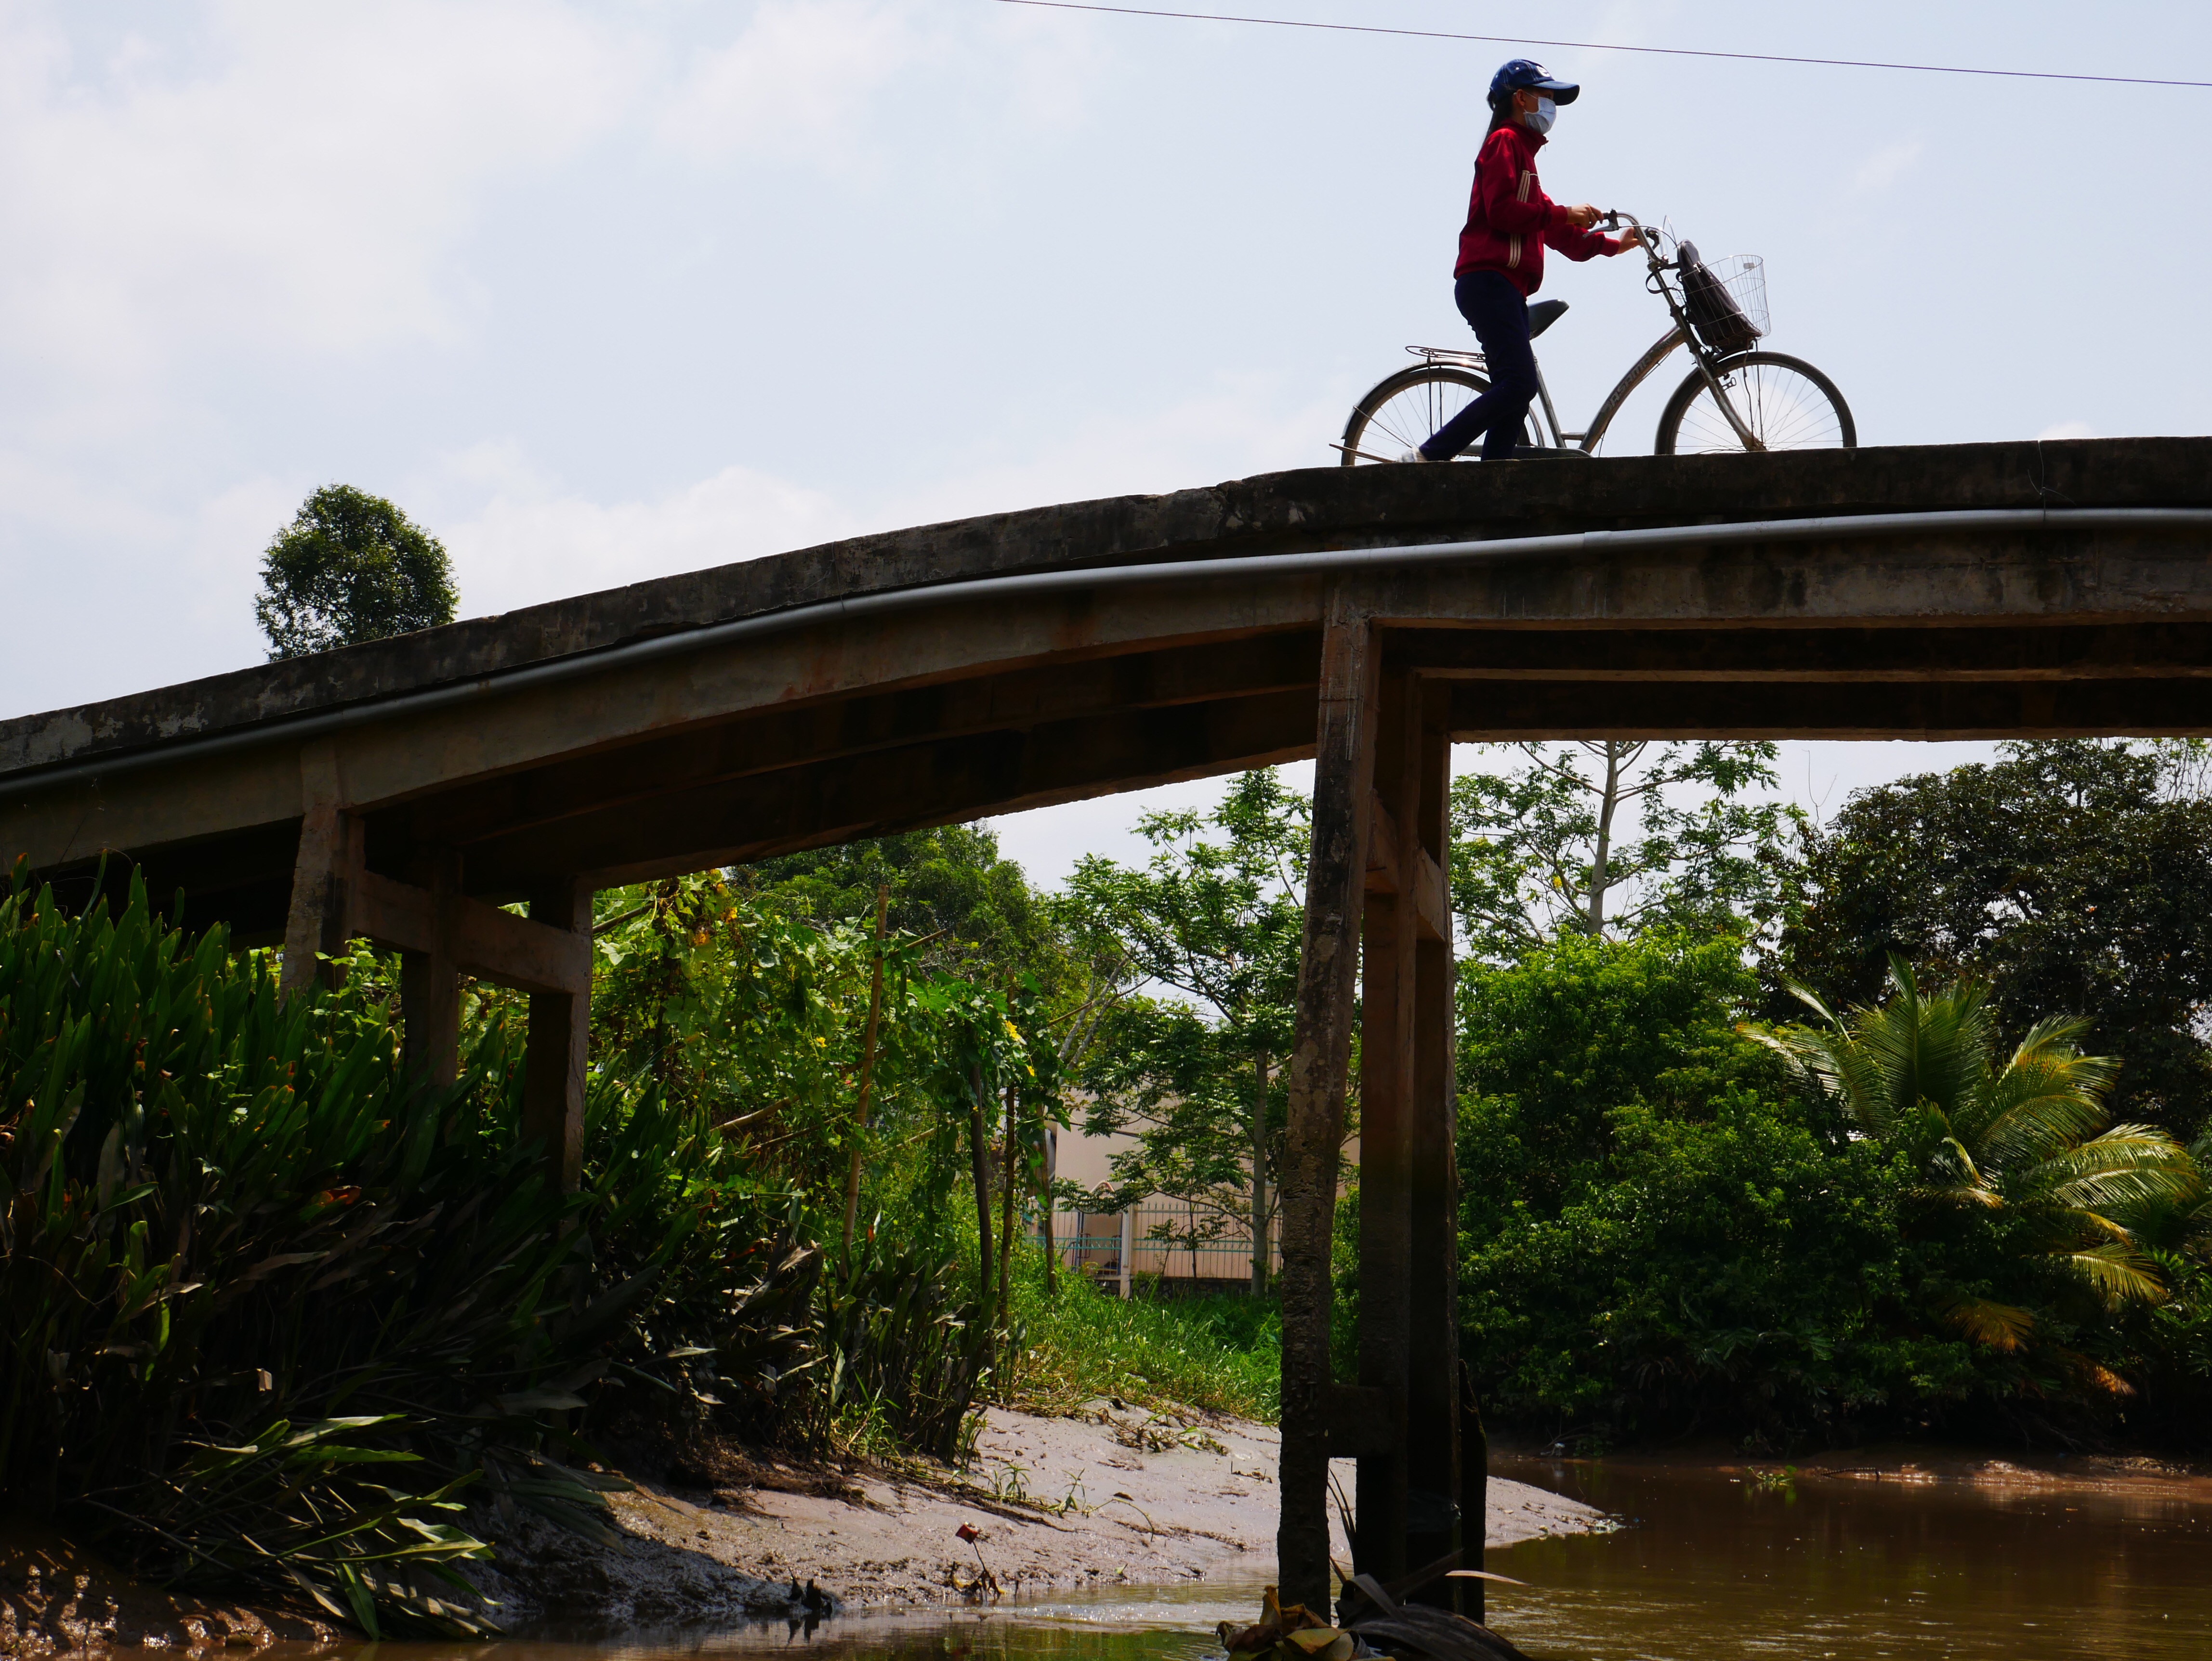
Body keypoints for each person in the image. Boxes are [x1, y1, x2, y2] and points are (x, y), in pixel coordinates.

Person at [1407, 60, 1643, 463]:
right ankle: (1427, 456)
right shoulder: (1504, 142)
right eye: (1546, 96)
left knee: (1514, 391)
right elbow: (1502, 212)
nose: (1551, 106)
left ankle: (1494, 481)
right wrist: (1565, 213)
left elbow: (1555, 232)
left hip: (1505, 286)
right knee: (1519, 383)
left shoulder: (1524, 160)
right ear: (1521, 98)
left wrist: (1612, 246)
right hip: (1489, 281)